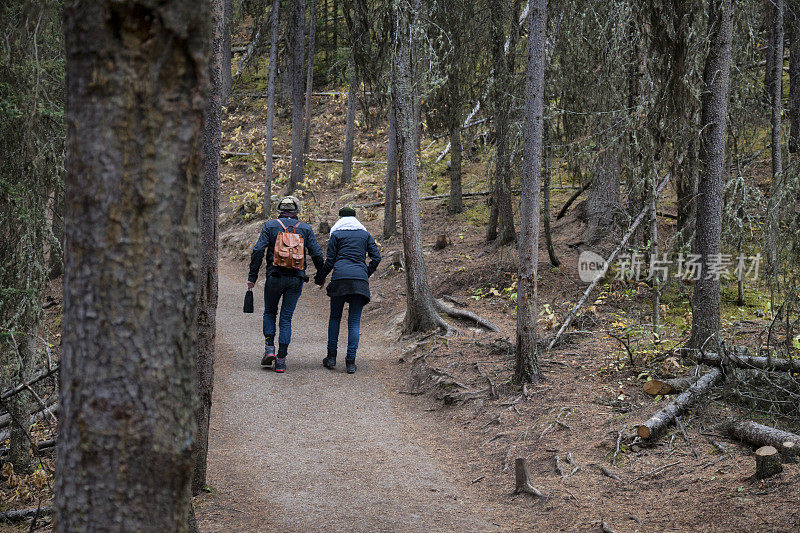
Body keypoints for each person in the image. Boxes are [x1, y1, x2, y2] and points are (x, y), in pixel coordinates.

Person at [248, 196, 324, 373]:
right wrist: (320, 278)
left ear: (280, 209)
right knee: (286, 318)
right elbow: (317, 254)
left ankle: (269, 349)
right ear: (297, 210)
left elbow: (258, 250)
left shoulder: (270, 225)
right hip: (296, 279)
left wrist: (252, 276)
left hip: (274, 276)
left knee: (269, 312)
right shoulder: (305, 228)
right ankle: (281, 360)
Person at [314, 207, 381, 374]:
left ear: (340, 218)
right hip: (359, 281)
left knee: (335, 318)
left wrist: (320, 278)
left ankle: (331, 357)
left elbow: (329, 262)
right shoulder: (365, 235)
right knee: (354, 322)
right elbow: (376, 257)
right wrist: (366, 273)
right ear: (355, 218)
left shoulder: (336, 234)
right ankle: (350, 362)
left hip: (340, 279)